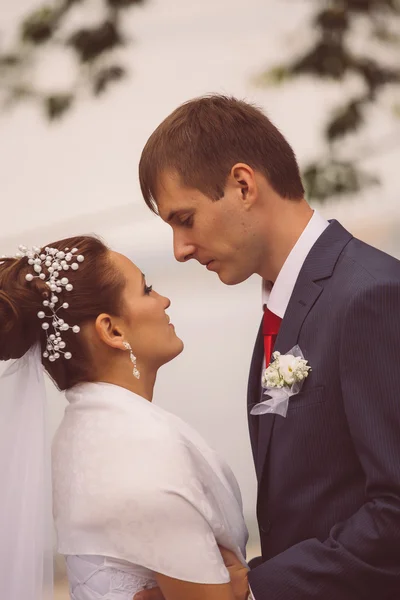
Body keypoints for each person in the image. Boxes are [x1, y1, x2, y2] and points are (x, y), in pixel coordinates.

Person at [136, 95, 400, 599]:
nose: (179, 249)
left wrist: (251, 590)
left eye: (184, 218)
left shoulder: (371, 295)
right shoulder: (284, 306)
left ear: (243, 184)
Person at [0, 235, 250, 600]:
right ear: (112, 330)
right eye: (147, 289)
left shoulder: (75, 435)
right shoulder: (143, 449)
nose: (164, 300)